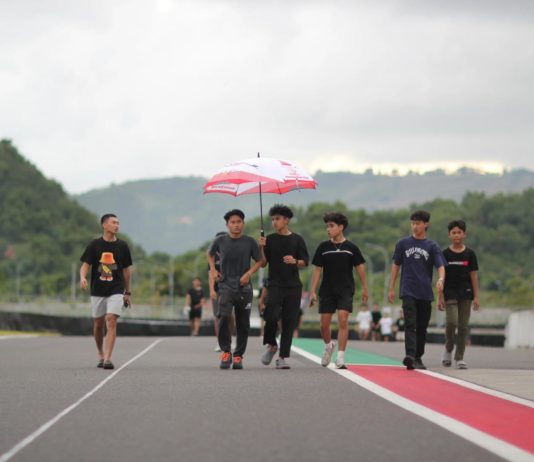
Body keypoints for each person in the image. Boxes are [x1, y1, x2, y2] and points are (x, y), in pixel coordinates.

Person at [388, 210, 446, 370]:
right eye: (413, 223)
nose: (415, 226)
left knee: (422, 327)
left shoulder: (432, 246)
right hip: (408, 290)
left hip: (425, 292)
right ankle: (410, 356)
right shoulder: (403, 243)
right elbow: (395, 266)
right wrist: (391, 288)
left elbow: (440, 266)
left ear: (426, 224)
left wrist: (441, 279)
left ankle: (418, 356)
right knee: (410, 324)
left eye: (418, 223)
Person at [310, 212, 368, 369]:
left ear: (341, 227)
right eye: (327, 226)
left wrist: (365, 288)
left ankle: (341, 357)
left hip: (345, 290)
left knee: (343, 319)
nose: (328, 229)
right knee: (324, 325)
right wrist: (313, 291)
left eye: (331, 226)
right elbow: (317, 270)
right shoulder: (323, 247)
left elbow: (360, 268)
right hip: (327, 290)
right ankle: (329, 346)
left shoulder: (351, 248)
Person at [208, 209, 263, 370]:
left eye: (239, 222)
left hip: (244, 288)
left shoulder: (250, 241)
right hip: (226, 286)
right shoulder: (220, 241)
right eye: (232, 222)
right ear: (227, 225)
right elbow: (209, 254)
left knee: (243, 323)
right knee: (223, 317)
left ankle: (238, 355)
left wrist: (249, 273)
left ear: (243, 224)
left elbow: (260, 261)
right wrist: (213, 270)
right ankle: (226, 352)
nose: (236, 225)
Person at [80, 213, 132, 370]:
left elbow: (126, 271)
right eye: (113, 222)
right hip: (97, 289)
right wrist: (82, 277)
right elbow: (85, 264)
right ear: (104, 225)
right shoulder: (94, 245)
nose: (117, 225)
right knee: (98, 324)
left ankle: (108, 359)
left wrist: (127, 292)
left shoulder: (123, 246)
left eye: (118, 223)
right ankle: (100, 353)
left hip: (116, 289)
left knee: (111, 319)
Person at [259, 204, 309, 370]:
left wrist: (295, 261)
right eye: (273, 219)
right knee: (270, 316)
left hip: (293, 287)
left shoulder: (297, 239)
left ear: (286, 220)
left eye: (278, 219)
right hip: (274, 285)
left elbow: (305, 262)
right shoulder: (269, 239)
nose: (274, 222)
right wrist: (261, 247)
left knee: (289, 322)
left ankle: (282, 357)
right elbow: (263, 263)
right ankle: (272, 345)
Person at [439, 220, 480, 369]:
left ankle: (459, 357)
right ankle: (448, 348)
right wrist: (439, 297)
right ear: (449, 235)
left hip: (466, 294)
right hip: (449, 292)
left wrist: (476, 297)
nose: (456, 235)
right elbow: (441, 276)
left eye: (459, 232)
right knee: (451, 322)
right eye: (453, 232)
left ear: (464, 234)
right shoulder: (444, 254)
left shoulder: (470, 254)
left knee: (463, 326)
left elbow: (474, 276)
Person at [208, 231, 233, 351]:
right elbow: (210, 274)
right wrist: (212, 290)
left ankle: (229, 339)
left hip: (231, 289)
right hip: (217, 290)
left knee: (230, 316)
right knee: (218, 316)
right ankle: (220, 342)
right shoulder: (212, 256)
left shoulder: (232, 253)